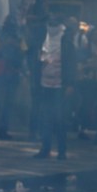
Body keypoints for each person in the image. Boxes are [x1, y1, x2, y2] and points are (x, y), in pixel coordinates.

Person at [33, 14, 77, 160]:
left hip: (60, 86)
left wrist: (70, 84)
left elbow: (71, 64)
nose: (52, 27)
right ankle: (45, 149)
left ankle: (62, 151)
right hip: (45, 85)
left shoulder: (66, 42)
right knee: (45, 118)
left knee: (59, 119)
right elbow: (37, 61)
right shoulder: (43, 39)